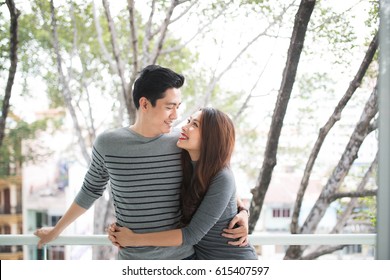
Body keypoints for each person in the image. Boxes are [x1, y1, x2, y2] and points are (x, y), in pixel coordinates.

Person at [34, 65, 249, 260]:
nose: (176, 116)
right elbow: (90, 190)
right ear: (144, 103)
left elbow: (216, 176)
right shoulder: (108, 144)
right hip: (132, 261)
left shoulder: (181, 143)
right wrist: (56, 231)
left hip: (182, 259)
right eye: (169, 107)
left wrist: (242, 212)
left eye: (178, 106)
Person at [108, 107, 258, 260]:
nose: (185, 127)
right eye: (188, 121)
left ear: (211, 137)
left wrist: (134, 239)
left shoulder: (222, 176)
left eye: (195, 125)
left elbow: (191, 235)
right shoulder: (186, 164)